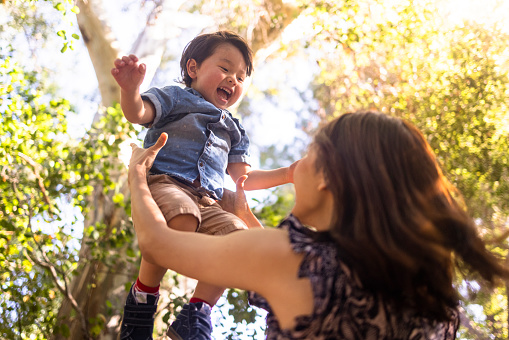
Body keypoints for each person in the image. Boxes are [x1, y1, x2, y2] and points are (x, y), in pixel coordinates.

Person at [128, 111, 509, 339]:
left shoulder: (295, 260)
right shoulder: (437, 303)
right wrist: (245, 218)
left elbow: (157, 242)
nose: (298, 169)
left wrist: (138, 176)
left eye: (308, 156)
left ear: (327, 175)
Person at [111, 31, 297, 340]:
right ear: (194, 69)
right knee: (182, 219)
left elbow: (243, 180)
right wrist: (130, 90)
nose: (233, 79)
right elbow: (139, 113)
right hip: (166, 182)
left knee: (240, 241)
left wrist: (287, 174)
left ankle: (196, 312)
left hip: (209, 200)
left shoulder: (234, 129)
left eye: (240, 76)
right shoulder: (176, 96)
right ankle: (143, 297)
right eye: (225, 68)